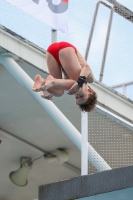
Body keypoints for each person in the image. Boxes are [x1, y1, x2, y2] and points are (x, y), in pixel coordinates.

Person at [32, 41, 97, 112]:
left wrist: (42, 90)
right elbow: (87, 68)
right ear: (90, 91)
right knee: (76, 83)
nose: (77, 95)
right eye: (81, 96)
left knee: (59, 92)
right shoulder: (90, 79)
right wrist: (79, 83)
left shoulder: (69, 84)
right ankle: (52, 82)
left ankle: (42, 81)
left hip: (51, 52)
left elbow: (57, 82)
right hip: (66, 49)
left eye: (76, 97)